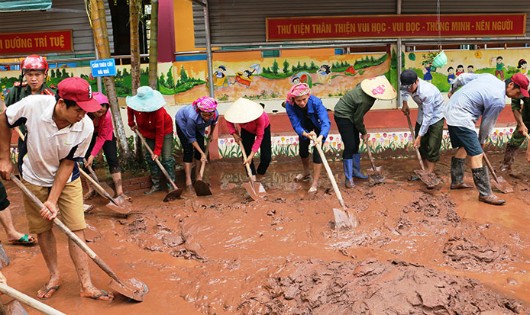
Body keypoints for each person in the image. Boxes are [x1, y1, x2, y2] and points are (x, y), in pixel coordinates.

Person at [0, 77, 113, 300]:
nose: (83, 115)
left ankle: (86, 284)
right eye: (79, 110)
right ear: (61, 104)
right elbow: (4, 119)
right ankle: (54, 276)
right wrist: (4, 158)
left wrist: (52, 200)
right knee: (42, 228)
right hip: (33, 175)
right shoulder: (33, 105)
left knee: (76, 228)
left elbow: (68, 164)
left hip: (67, 178)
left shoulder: (86, 127)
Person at [444, 73, 529, 205]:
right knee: (477, 154)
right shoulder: (498, 100)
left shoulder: (489, 77)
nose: (519, 96)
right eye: (518, 93)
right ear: (511, 85)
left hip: (451, 109)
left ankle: (457, 181)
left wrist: (452, 90)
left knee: (465, 146)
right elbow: (487, 124)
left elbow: (461, 78)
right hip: (461, 116)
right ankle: (485, 194)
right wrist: (481, 141)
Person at [0, 54, 55, 247]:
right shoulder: (17, 93)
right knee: (28, 176)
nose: (33, 78)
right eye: (30, 74)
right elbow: (5, 116)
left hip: (47, 142)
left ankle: (53, 206)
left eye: (37, 74)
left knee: (50, 176)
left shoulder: (50, 94)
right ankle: (39, 213)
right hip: (26, 141)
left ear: (44, 75)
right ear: (25, 75)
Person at [334, 76, 397, 188]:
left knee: (356, 143)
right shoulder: (365, 100)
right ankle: (348, 179)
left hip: (351, 115)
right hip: (342, 115)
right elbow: (358, 119)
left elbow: (357, 117)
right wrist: (364, 132)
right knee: (350, 145)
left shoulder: (365, 90)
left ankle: (356, 172)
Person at [127, 86, 175, 194]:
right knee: (150, 158)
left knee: (166, 159)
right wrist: (131, 123)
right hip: (147, 132)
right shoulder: (135, 106)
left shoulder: (159, 112)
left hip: (164, 131)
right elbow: (129, 109)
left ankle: (171, 185)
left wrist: (157, 151)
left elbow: (160, 132)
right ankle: (156, 185)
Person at [285, 83, 330, 193]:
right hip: (304, 127)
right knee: (303, 151)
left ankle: (315, 182)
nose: (302, 103)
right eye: (298, 100)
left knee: (317, 153)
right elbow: (295, 124)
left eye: (304, 99)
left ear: (308, 96)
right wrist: (305, 134)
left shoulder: (316, 102)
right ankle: (306, 172)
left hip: (319, 127)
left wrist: (320, 137)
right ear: (293, 99)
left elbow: (325, 122)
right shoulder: (289, 105)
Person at [400, 70, 445, 180]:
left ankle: (429, 173)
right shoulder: (407, 86)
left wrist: (419, 137)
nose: (408, 89)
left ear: (416, 81)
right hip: (422, 115)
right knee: (422, 146)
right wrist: (405, 103)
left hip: (435, 117)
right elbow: (404, 92)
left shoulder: (426, 92)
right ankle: (425, 170)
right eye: (406, 87)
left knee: (432, 146)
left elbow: (428, 117)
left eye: (410, 87)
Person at [83, 92, 128, 202]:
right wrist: (89, 155)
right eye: (98, 111)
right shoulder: (84, 113)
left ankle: (120, 192)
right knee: (85, 160)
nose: (100, 114)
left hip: (105, 133)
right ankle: (92, 189)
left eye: (103, 112)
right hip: (88, 133)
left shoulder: (106, 116)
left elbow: (103, 137)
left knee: (112, 158)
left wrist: (93, 155)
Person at [175, 96, 219, 190]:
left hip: (198, 125)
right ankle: (188, 181)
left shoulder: (215, 114)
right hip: (183, 122)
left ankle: (198, 177)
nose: (207, 117)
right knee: (188, 150)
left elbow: (214, 123)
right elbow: (191, 138)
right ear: (200, 112)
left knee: (200, 150)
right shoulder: (192, 116)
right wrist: (204, 154)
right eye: (204, 115)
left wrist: (211, 134)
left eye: (209, 115)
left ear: (213, 112)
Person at [225, 98, 271, 180]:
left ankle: (259, 176)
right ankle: (252, 177)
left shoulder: (260, 117)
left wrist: (252, 155)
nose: (242, 123)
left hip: (264, 128)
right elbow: (228, 120)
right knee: (246, 155)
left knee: (266, 157)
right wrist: (234, 134)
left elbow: (259, 137)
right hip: (247, 131)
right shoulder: (235, 115)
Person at [500, 94, 530, 171]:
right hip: (526, 117)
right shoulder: (523, 88)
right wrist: (521, 123)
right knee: (515, 140)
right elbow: (515, 105)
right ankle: (507, 163)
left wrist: (528, 151)